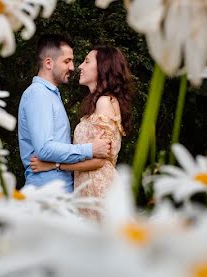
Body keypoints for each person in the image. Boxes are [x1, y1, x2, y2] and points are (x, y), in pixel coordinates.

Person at [30, 45, 134, 202]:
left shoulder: (105, 102)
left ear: (102, 67)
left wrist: (54, 165)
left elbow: (99, 161)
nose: (79, 66)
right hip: (87, 190)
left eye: (86, 61)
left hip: (100, 191)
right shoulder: (97, 104)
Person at [18, 34, 112, 193]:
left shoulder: (51, 95)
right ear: (48, 63)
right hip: (46, 193)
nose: (72, 67)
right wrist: (90, 149)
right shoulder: (38, 95)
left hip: (57, 191)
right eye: (67, 61)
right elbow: (45, 149)